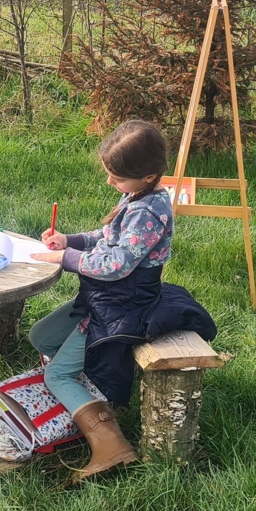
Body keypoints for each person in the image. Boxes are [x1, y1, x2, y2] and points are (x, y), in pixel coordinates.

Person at [29, 119, 216, 481]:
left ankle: (111, 445)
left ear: (147, 175)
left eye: (117, 178)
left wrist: (64, 259)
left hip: (122, 304)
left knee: (57, 372)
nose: (110, 183)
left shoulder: (148, 212)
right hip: (105, 296)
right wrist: (71, 240)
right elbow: (107, 235)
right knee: (42, 337)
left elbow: (116, 264)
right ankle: (90, 389)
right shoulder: (139, 196)